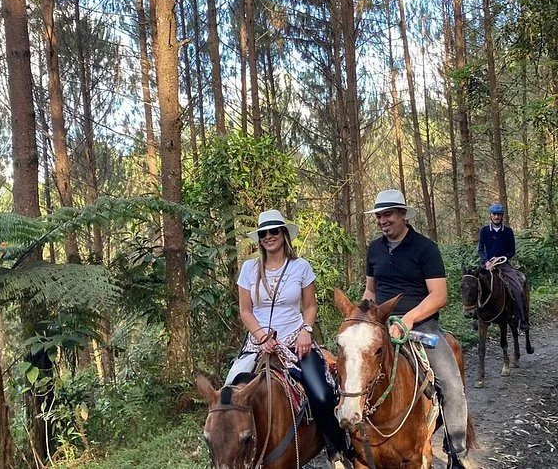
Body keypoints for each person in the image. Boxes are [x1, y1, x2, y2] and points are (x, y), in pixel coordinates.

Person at [224, 209, 351, 462]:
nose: (269, 236)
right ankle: (230, 454)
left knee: (322, 394)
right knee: (227, 397)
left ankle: (338, 444)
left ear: (283, 234)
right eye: (264, 233)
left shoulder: (300, 267)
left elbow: (311, 306)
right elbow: (245, 311)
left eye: (274, 231)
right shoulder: (249, 269)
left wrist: (306, 330)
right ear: (259, 238)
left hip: (296, 339)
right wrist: (262, 337)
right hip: (259, 343)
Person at [362, 189, 469, 469]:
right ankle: (350, 445)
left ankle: (456, 449)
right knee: (350, 378)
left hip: (422, 325)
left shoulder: (425, 248)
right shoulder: (373, 249)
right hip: (381, 325)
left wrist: (408, 319)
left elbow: (438, 295)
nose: (382, 221)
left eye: (388, 215)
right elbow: (370, 290)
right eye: (379, 216)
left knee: (451, 383)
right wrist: (362, 314)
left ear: (402, 215)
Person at [477, 202, 529, 332]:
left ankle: (522, 319)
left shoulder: (508, 232)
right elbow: (480, 250)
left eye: (499, 215)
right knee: (475, 285)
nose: (496, 217)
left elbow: (511, 251)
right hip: (488, 265)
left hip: (504, 264)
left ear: (502, 216)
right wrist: (486, 261)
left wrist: (504, 258)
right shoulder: (484, 231)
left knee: (518, 288)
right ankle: (478, 317)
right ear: (490, 215)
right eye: (494, 214)